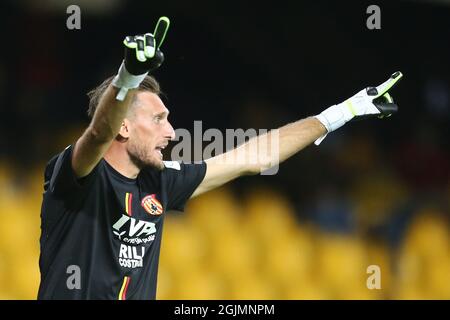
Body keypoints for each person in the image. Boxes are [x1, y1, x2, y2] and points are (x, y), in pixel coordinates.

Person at [37, 17, 403, 300]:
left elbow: (254, 156)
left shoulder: (161, 181)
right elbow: (99, 134)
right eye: (158, 119)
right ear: (125, 129)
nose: (172, 132)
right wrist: (128, 76)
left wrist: (342, 112)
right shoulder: (74, 176)